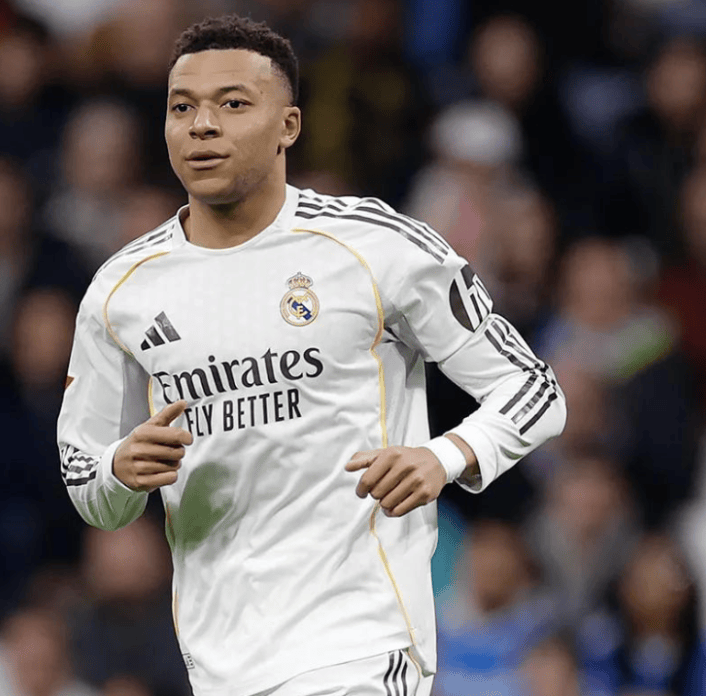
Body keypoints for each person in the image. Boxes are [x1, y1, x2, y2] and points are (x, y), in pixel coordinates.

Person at [57, 15, 566, 696]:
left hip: (361, 646)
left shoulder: (378, 246)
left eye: (232, 104)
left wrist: (443, 457)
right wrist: (121, 469)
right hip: (220, 661)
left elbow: (533, 389)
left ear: (288, 126)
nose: (202, 125)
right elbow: (86, 479)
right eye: (182, 108)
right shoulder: (120, 291)